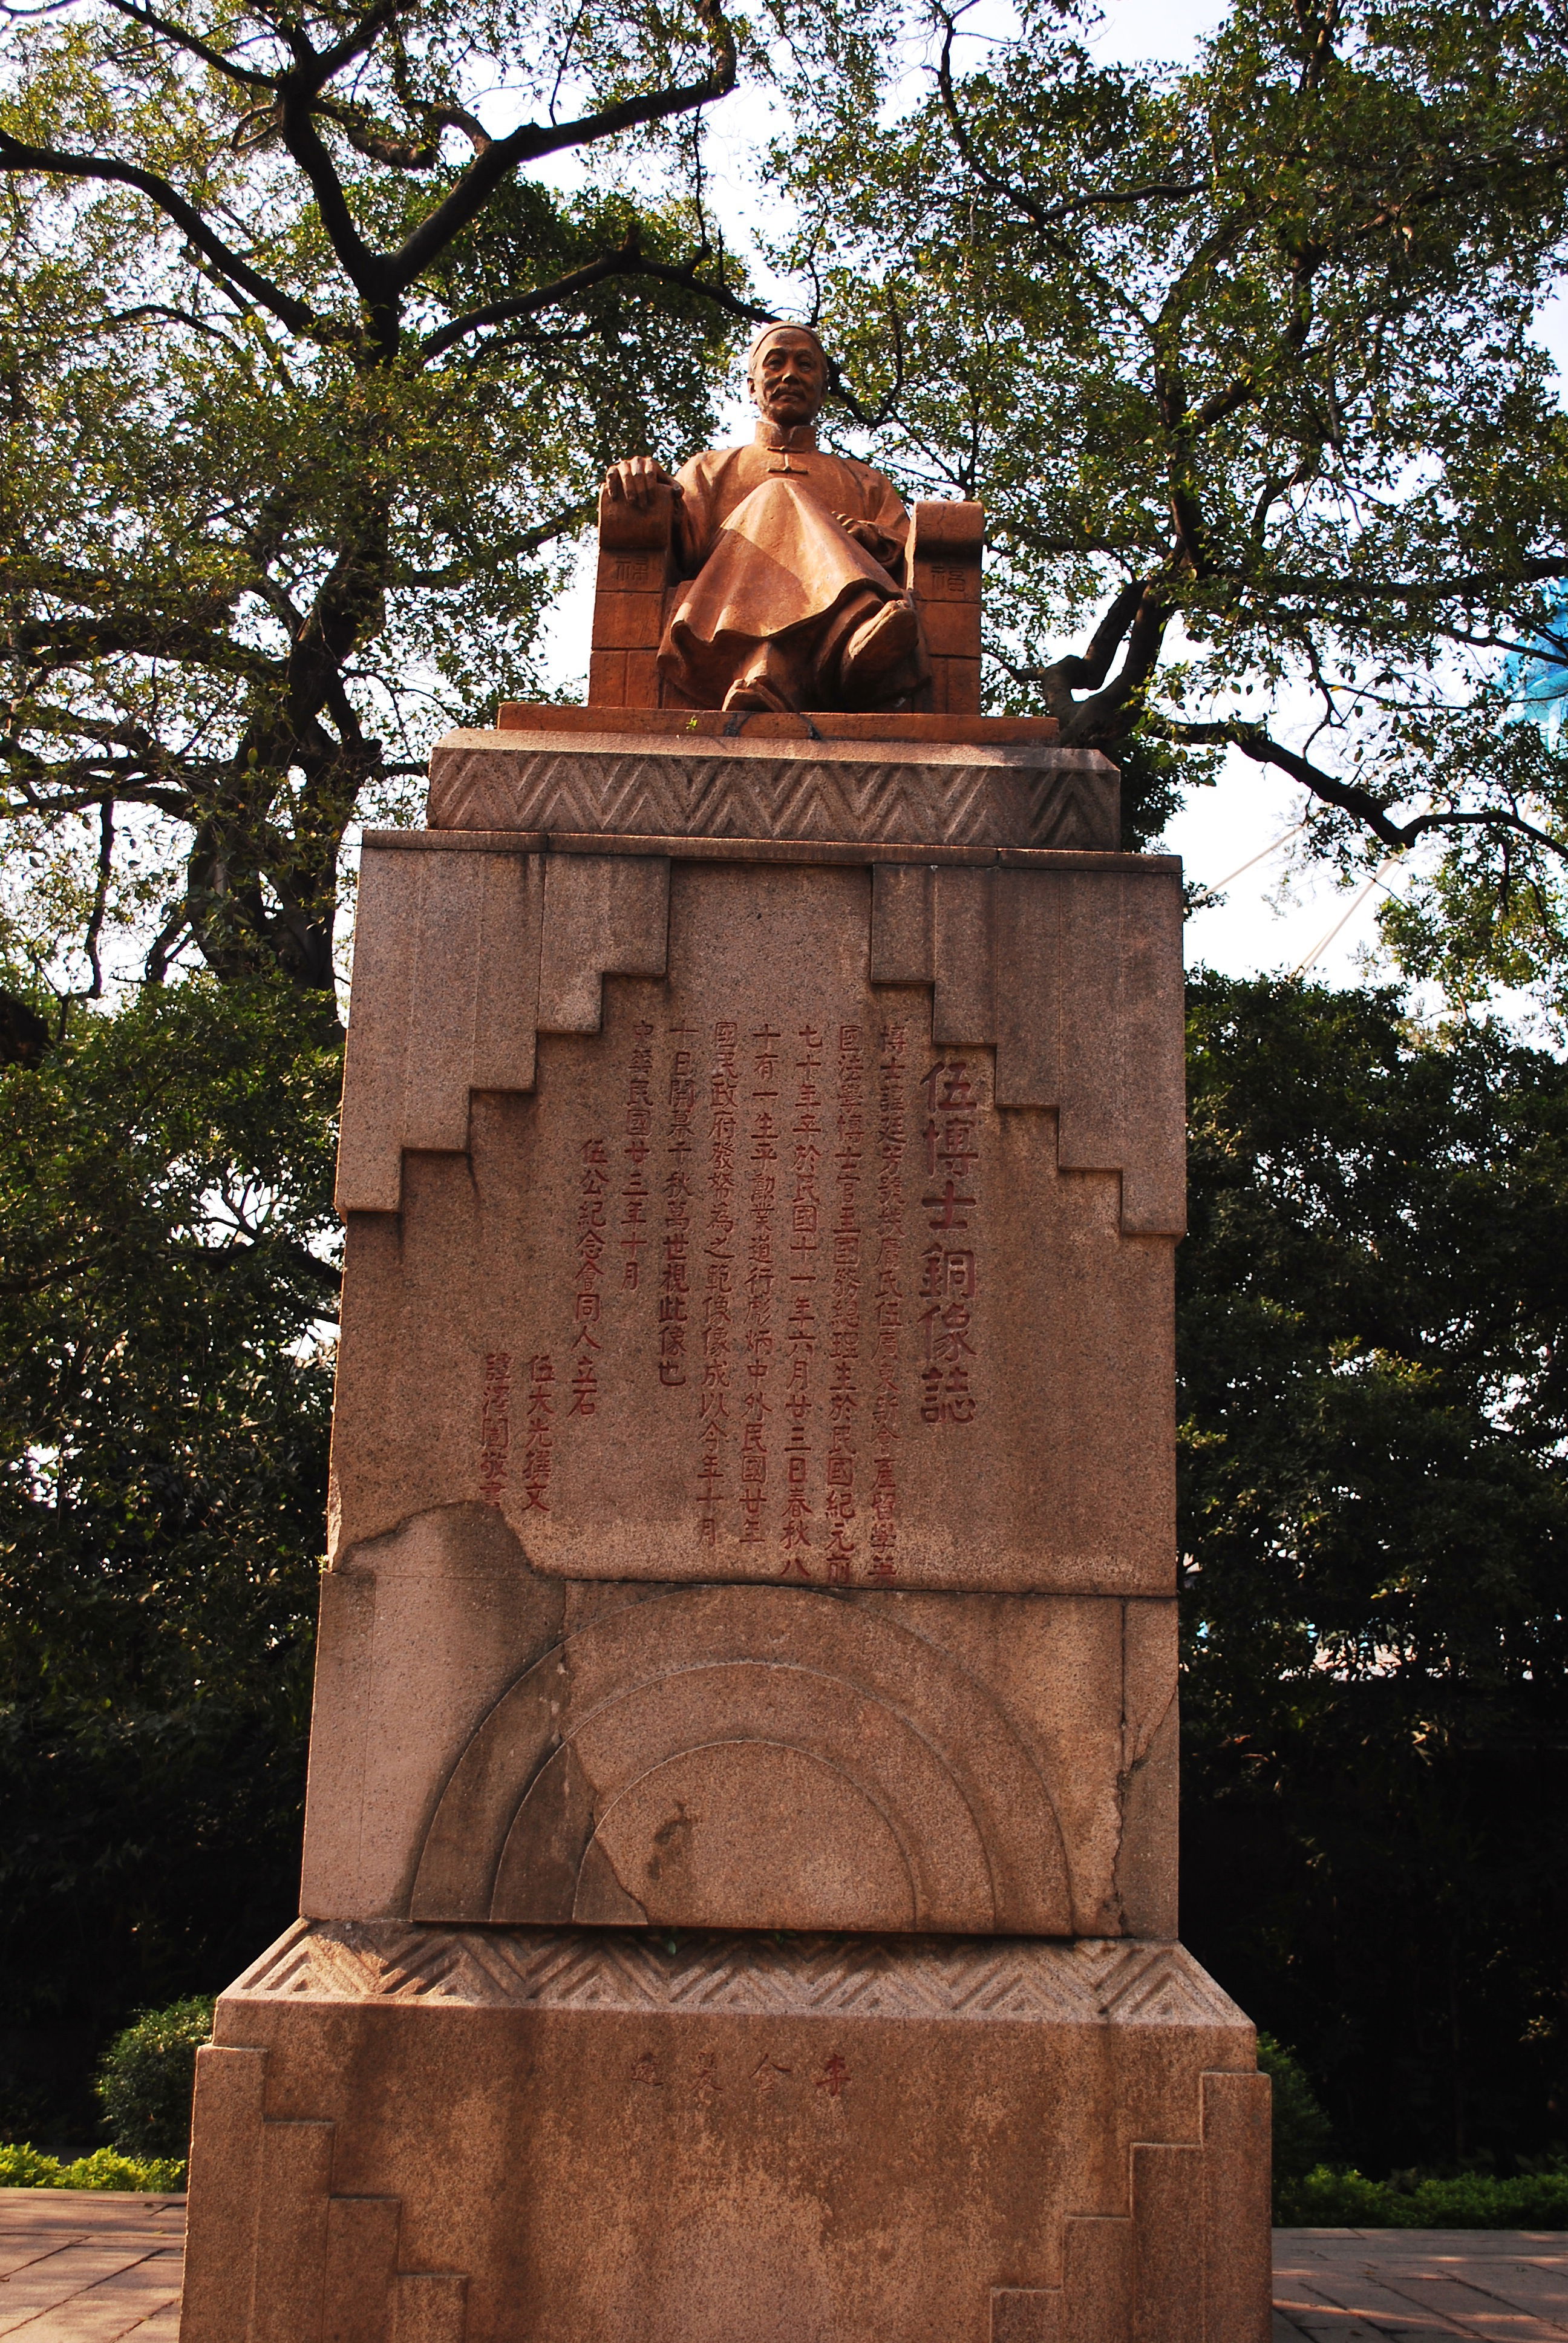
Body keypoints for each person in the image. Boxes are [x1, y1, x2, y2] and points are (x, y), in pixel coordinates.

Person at [601, 324, 928, 714]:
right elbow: (686, 545)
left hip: (827, 642)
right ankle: (845, 641)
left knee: (784, 494)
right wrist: (647, 484)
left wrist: (871, 537)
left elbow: (906, 548)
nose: (790, 374)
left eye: (805, 365)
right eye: (775, 363)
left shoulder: (865, 481)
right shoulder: (711, 468)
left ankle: (778, 674)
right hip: (717, 629)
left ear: (823, 389)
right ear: (753, 386)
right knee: (780, 492)